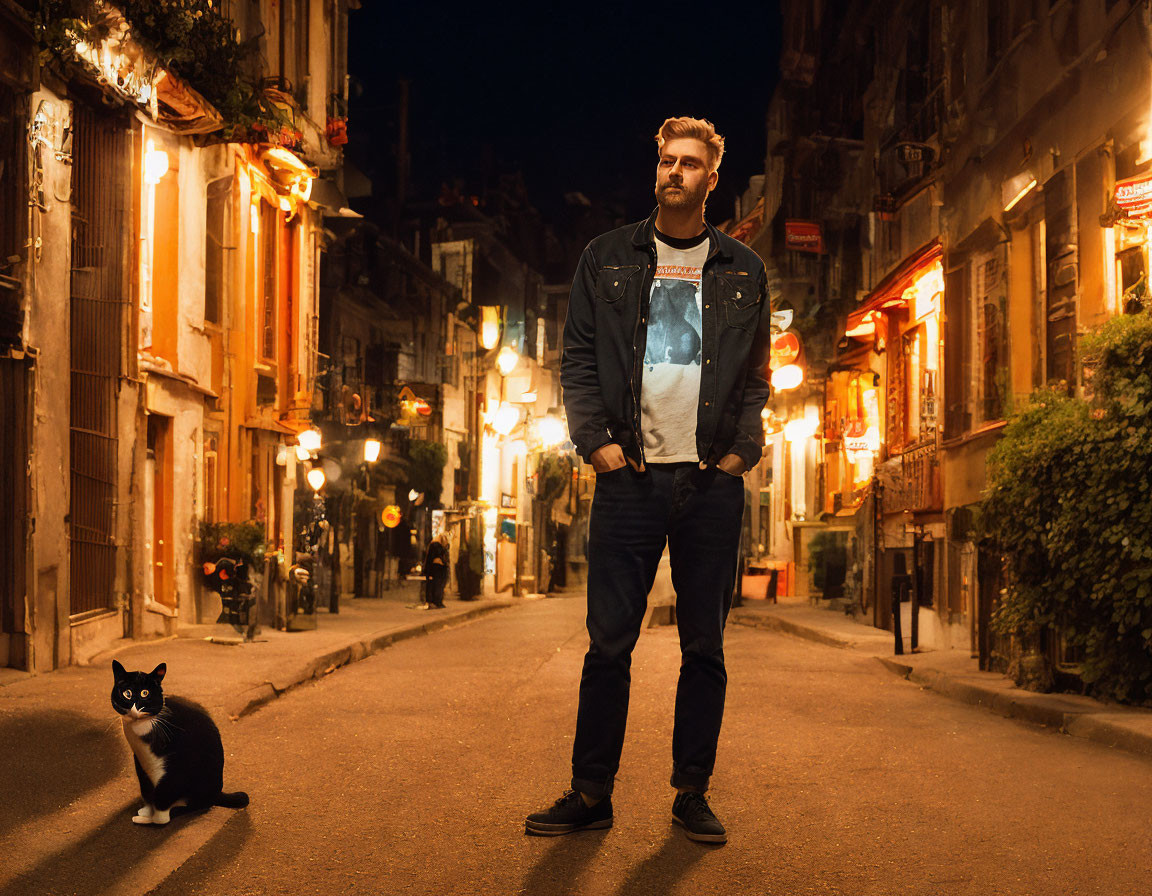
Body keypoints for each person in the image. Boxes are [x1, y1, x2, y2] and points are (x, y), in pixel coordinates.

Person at [525, 117, 772, 844]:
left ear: (711, 179)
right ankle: (590, 790)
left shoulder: (743, 270)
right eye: (666, 160)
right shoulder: (606, 259)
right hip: (628, 476)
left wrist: (738, 455)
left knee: (704, 649)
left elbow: (757, 376)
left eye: (689, 164)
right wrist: (595, 445)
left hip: (708, 482)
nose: (674, 172)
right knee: (609, 646)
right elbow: (576, 359)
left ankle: (691, 791)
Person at [422, 532, 450, 609]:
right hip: (437, 569)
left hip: (434, 569)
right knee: (437, 586)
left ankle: (435, 601)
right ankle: (436, 601)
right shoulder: (436, 546)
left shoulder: (434, 546)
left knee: (435, 585)